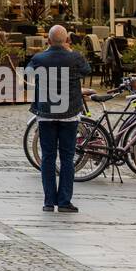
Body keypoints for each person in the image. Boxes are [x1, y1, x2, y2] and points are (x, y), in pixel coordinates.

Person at [26, 25, 92, 214]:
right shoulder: (75, 57)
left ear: (48, 41)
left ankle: (48, 201)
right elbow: (87, 70)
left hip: (46, 115)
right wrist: (69, 51)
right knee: (67, 158)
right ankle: (64, 201)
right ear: (66, 41)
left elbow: (28, 74)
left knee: (47, 157)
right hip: (69, 115)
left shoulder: (39, 58)